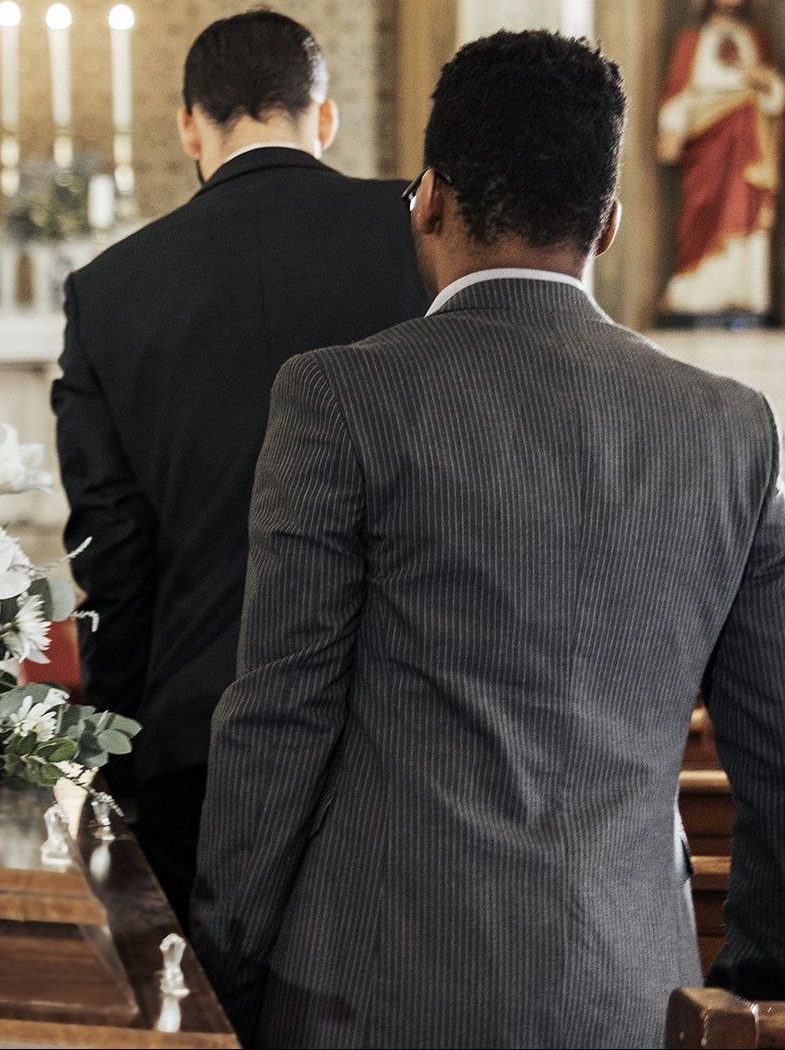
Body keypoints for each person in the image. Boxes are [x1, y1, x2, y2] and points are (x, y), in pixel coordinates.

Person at [194, 30, 785, 1048]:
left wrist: (223, 963)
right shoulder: (731, 427)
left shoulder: (341, 397)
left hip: (371, 994)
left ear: (428, 198)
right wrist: (749, 983)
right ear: (607, 226)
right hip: (634, 994)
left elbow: (279, 718)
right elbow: (775, 745)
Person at [51, 9, 426, 924]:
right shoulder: (421, 233)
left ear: (190, 125)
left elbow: (113, 553)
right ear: (323, 116)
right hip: (404, 724)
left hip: (198, 733)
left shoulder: (111, 289)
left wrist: (124, 753)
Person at [657, 0, 784, 321]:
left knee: (745, 214)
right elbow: (678, 92)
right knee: (703, 210)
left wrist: (764, 82)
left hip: (747, 144)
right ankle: (694, 292)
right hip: (707, 142)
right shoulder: (692, 40)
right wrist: (671, 129)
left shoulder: (753, 39)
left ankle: (743, 294)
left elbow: (774, 101)